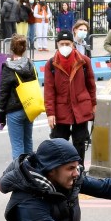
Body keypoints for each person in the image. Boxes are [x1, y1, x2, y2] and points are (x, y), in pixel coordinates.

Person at [44, 30, 96, 164]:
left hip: (81, 108)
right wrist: (50, 113)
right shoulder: (50, 64)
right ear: (57, 44)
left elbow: (91, 85)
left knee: (79, 143)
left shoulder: (84, 61)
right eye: (62, 44)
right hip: (61, 110)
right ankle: (61, 171)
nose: (65, 46)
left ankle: (79, 171)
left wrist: (93, 105)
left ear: (73, 44)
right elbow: (49, 91)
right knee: (60, 143)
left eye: (67, 43)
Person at [0, 34, 37, 159]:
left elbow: (3, 94)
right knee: (28, 142)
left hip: (14, 111)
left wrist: (1, 117)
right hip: (30, 108)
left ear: (11, 49)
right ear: (25, 49)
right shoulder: (30, 64)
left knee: (17, 146)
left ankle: (20, 175)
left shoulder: (8, 68)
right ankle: (31, 172)